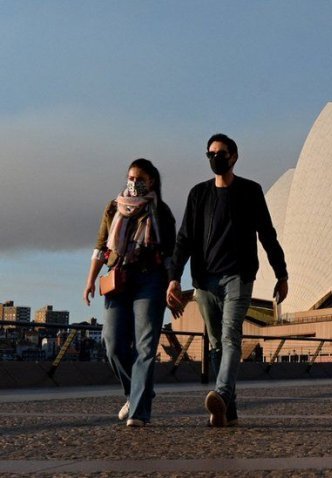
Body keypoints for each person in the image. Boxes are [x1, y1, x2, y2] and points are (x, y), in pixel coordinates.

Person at [166, 134, 289, 427]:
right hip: (205, 280)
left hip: (239, 276)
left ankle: (220, 392)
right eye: (210, 154)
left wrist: (281, 273)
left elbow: (267, 235)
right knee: (216, 345)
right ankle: (227, 410)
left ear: (233, 157)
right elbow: (184, 239)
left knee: (231, 336)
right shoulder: (199, 194)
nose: (214, 158)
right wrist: (174, 278)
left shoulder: (250, 191)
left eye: (220, 153)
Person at [83, 159, 176, 427]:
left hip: (150, 280)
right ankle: (136, 391)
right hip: (118, 279)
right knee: (112, 344)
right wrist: (90, 281)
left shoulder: (161, 211)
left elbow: (170, 254)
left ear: (152, 182)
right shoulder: (114, 208)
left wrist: (173, 284)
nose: (134, 183)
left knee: (145, 347)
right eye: (130, 177)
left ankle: (138, 412)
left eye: (140, 178)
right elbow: (101, 247)